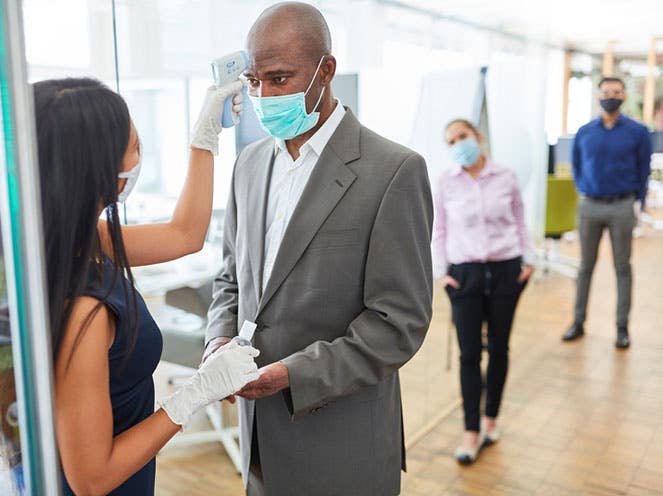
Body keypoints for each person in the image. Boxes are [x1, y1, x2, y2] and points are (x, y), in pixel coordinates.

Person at [201, 3, 433, 495]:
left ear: (326, 70)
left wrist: (293, 374)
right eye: (254, 80)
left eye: (280, 78)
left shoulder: (393, 171)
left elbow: (399, 322)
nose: (264, 95)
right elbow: (230, 277)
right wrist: (218, 341)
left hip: (341, 440)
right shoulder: (249, 164)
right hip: (258, 436)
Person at [33, 77, 260, 495]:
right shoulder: (85, 311)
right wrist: (194, 394)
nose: (141, 157)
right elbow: (92, 478)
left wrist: (204, 138)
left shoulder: (80, 237)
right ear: (97, 169)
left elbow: (185, 234)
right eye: (135, 146)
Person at [432, 119, 534, 465]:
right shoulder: (446, 181)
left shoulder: (504, 175)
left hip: (507, 270)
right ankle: (471, 430)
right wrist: (442, 273)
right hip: (464, 275)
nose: (458, 144)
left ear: (478, 137)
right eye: (451, 140)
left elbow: (520, 219)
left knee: (500, 348)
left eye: (462, 136)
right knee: (469, 354)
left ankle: (491, 419)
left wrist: (528, 261)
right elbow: (439, 229)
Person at [562, 76, 652, 348]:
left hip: (622, 206)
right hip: (590, 205)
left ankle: (622, 328)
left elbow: (643, 170)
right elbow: (577, 166)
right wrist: (585, 189)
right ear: (598, 95)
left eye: (616, 91)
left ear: (624, 96)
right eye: (606, 91)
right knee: (585, 267)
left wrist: (637, 203)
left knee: (622, 268)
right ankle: (578, 322)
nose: (610, 96)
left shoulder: (637, 132)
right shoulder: (585, 131)